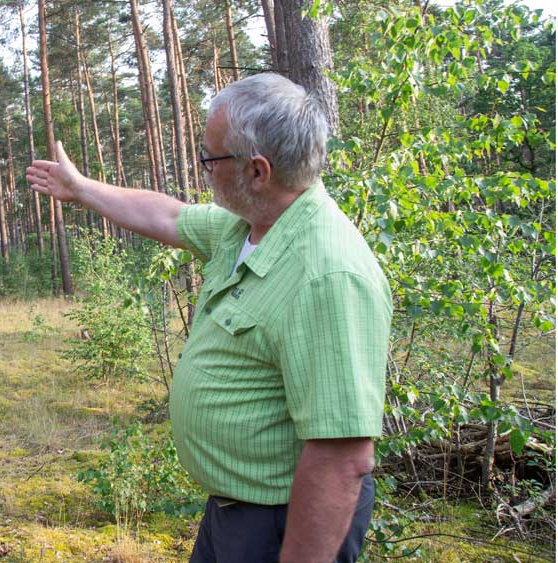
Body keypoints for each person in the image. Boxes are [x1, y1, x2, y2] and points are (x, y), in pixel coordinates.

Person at [25, 73, 391, 563]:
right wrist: (81, 188)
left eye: (211, 158)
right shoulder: (251, 225)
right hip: (235, 511)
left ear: (257, 171)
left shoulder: (327, 274)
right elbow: (170, 217)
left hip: (283, 523)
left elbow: (341, 459)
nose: (203, 170)